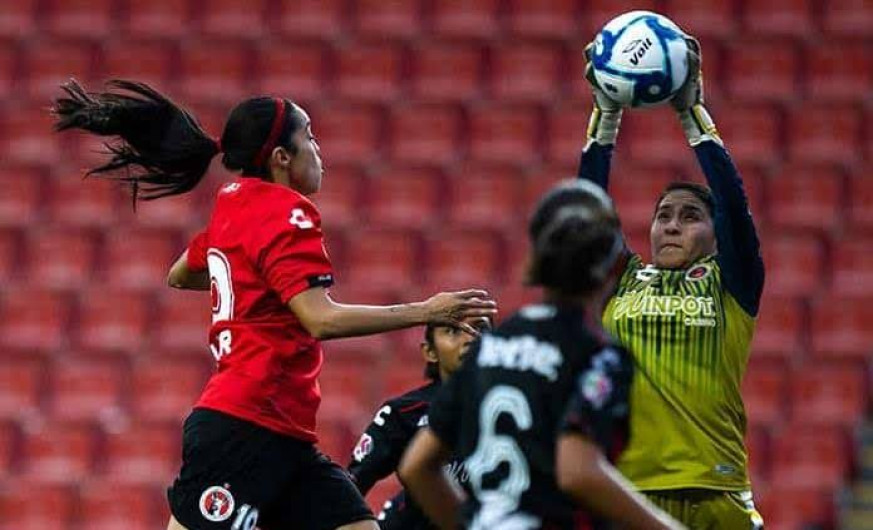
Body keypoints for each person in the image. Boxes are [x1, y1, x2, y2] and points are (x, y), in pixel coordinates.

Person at [52, 79, 497, 530]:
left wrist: (247, 279)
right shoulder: (288, 213)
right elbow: (320, 319)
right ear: (282, 158)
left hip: (284, 433)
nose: (319, 149)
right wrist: (428, 310)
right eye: (310, 137)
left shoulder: (234, 203)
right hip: (245, 426)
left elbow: (180, 272)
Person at [398, 179, 683, 529]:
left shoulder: (490, 345)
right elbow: (578, 472)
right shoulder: (598, 354)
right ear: (613, 267)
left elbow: (417, 467)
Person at [579, 35, 766, 528]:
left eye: (690, 216)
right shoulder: (623, 278)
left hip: (715, 487)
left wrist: (691, 114)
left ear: (714, 232)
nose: (673, 224)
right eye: (664, 216)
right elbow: (587, 209)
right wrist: (606, 118)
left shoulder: (732, 284)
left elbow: (735, 206)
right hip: (628, 492)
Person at [347, 316, 491, 529]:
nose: (469, 339)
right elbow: (351, 485)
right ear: (430, 352)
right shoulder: (404, 413)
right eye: (452, 331)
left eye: (479, 328)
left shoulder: (524, 404)